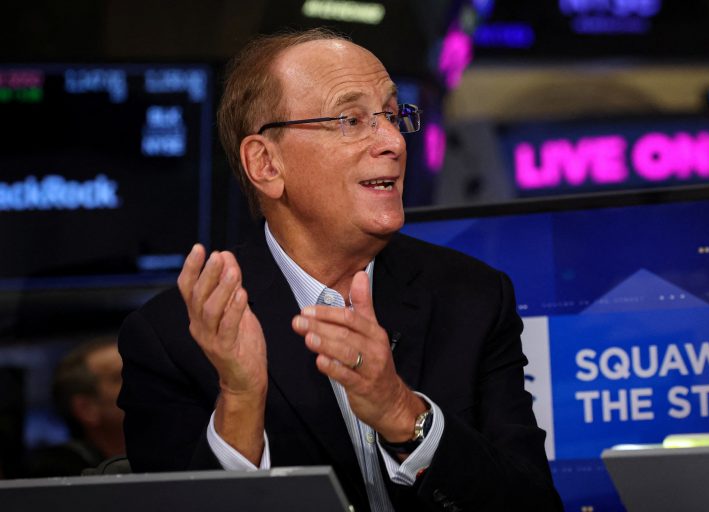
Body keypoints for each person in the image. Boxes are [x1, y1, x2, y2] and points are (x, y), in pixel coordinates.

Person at [118, 28, 562, 511]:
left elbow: (532, 505)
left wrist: (401, 412)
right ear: (265, 163)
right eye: (351, 119)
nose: (392, 141)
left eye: (393, 116)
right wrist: (240, 398)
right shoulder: (172, 338)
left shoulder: (472, 297)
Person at [26, 337, 125, 477]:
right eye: (120, 377)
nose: (143, 383)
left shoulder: (160, 455)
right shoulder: (58, 475)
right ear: (86, 409)